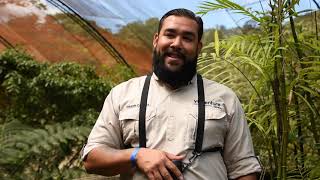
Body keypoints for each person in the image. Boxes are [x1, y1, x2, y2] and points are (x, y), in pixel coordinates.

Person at [81, 8, 261, 180]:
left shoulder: (225, 98)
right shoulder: (122, 94)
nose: (176, 44)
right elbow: (92, 159)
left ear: (198, 48)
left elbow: (243, 168)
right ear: (156, 40)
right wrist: (136, 155)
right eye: (170, 34)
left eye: (187, 38)